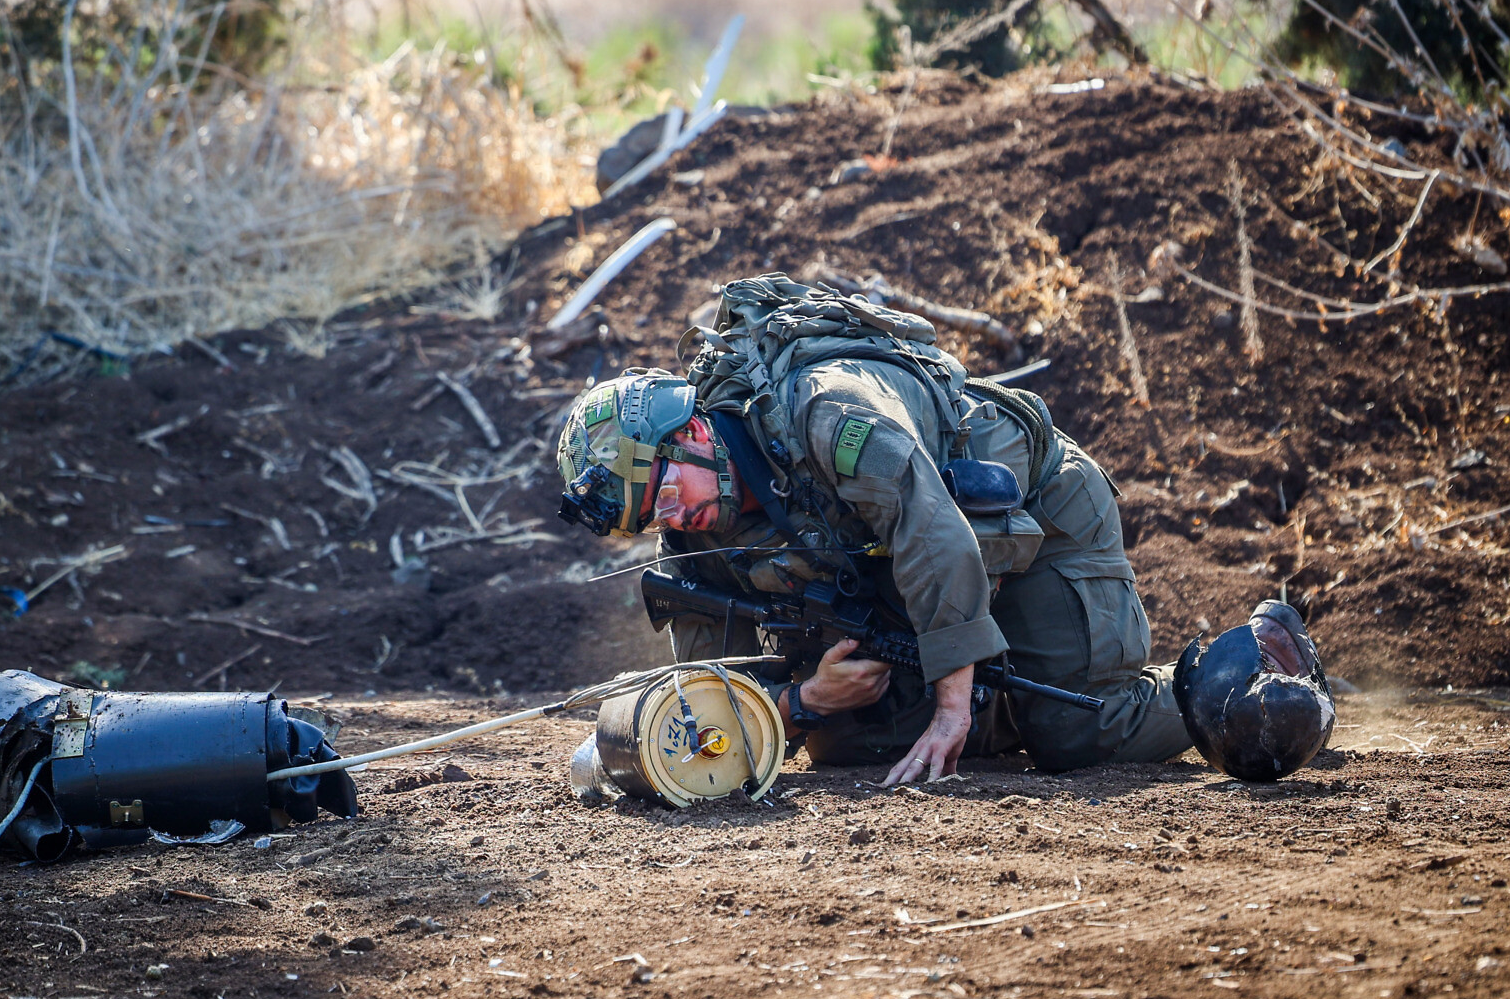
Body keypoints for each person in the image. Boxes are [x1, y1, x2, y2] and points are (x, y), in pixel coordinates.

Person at [554, 274, 1333, 786]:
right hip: (919, 572)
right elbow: (707, 699)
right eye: (649, 519)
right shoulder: (693, 535)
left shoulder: (827, 411)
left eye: (666, 493)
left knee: (1069, 735)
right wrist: (805, 699)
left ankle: (1245, 662)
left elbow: (935, 530)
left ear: (689, 433)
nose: (674, 520)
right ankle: (996, 697)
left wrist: (953, 707)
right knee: (851, 747)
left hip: (1034, 519)